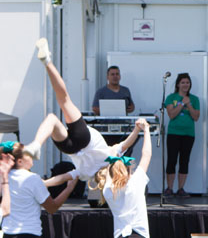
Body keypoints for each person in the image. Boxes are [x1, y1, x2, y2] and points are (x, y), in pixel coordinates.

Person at [24, 39, 143, 180]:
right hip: (71, 148)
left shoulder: (111, 156)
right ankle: (36, 145)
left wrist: (138, 128)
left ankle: (36, 144)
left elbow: (126, 143)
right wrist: (42, 183)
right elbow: (61, 178)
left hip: (85, 140)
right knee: (52, 118)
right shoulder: (86, 175)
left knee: (64, 100)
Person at [163, 73, 200, 197]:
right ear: (178, 84)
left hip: (188, 134)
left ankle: (181, 189)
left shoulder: (194, 99)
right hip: (174, 133)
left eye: (187, 82)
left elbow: (196, 117)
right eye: (183, 82)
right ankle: (169, 188)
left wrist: (188, 104)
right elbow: (172, 115)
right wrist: (181, 104)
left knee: (184, 161)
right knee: (171, 160)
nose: (185, 85)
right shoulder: (170, 97)